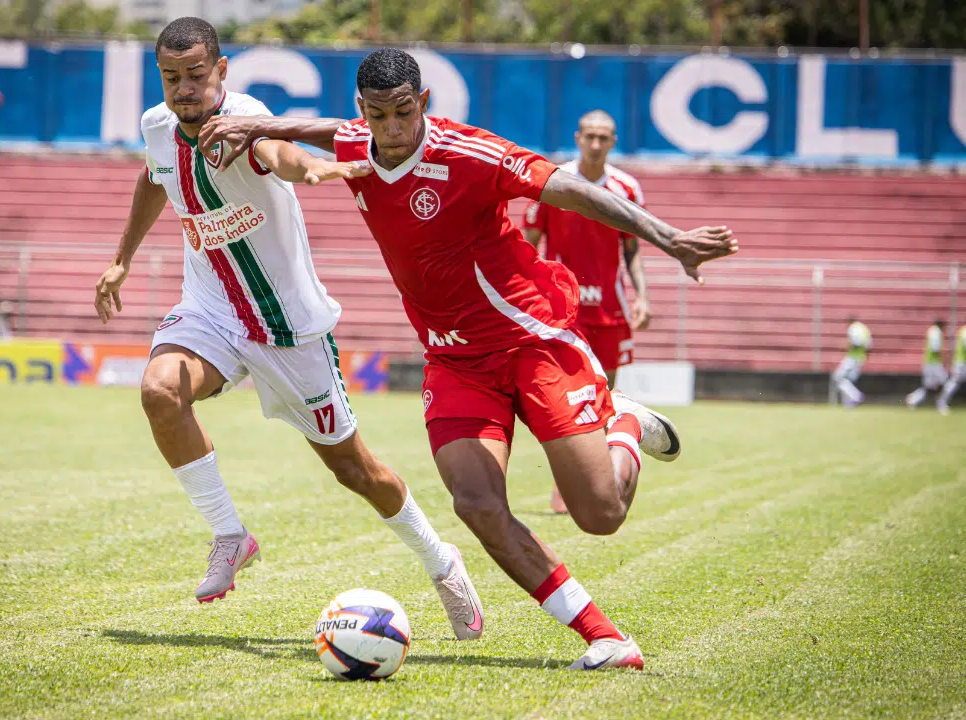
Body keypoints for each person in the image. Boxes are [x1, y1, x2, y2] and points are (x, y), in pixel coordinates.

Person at [199, 47, 738, 670]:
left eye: (404, 112)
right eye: (378, 115)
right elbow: (324, 129)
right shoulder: (356, 142)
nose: (393, 129)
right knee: (476, 503)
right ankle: (605, 638)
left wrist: (670, 238)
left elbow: (570, 190)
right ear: (362, 111)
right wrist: (257, 126)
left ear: (424, 103)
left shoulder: (469, 152)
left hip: (532, 342)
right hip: (454, 361)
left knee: (600, 515)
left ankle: (625, 426)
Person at [91, 19, 484, 640]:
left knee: (355, 471)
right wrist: (122, 259)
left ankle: (442, 561)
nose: (184, 88)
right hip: (211, 310)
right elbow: (153, 176)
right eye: (171, 77)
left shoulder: (246, 121)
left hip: (288, 328)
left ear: (222, 70)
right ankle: (230, 534)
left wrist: (315, 170)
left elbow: (279, 155)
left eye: (196, 75)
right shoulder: (157, 127)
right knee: (160, 390)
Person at [521, 110, 648, 514]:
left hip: (610, 310)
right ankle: (568, 487)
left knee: (605, 398)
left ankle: (603, 482)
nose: (595, 144)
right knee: (566, 399)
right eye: (589, 136)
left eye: (603, 137)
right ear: (577, 138)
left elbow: (632, 250)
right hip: (562, 312)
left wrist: (642, 297)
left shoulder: (626, 188)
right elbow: (528, 245)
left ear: (613, 142)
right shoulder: (553, 181)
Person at [906, 320, 948, 409]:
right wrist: (943, 361)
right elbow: (935, 348)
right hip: (934, 364)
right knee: (945, 382)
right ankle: (941, 403)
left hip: (929, 362)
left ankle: (913, 399)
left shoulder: (931, 331)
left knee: (929, 386)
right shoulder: (936, 332)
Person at [833, 318, 871, 408]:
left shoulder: (853, 328)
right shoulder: (864, 329)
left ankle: (856, 396)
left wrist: (846, 347)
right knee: (849, 380)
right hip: (860, 358)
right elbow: (869, 345)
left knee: (838, 377)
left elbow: (855, 342)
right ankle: (849, 403)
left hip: (852, 357)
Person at [936, 325, 966, 415]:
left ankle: (941, 402)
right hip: (962, 363)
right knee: (954, 383)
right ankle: (942, 402)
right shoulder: (964, 331)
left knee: (954, 383)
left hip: (961, 362)